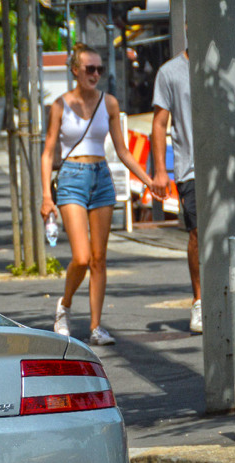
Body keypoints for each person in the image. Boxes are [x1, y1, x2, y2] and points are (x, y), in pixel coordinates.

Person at [41, 44, 161, 347]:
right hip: (71, 177)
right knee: (81, 256)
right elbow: (47, 153)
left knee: (99, 259)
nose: (95, 74)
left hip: (101, 179)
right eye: (89, 69)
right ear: (75, 71)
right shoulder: (60, 105)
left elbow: (122, 151)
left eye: (99, 69)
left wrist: (148, 180)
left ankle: (95, 327)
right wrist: (46, 196)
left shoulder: (109, 103)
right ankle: (64, 306)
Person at [151, 46, 235, 334]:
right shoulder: (170, 72)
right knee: (197, 233)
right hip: (191, 168)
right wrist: (160, 170)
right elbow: (159, 123)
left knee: (233, 231)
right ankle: (199, 300)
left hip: (232, 165)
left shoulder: (233, 56)